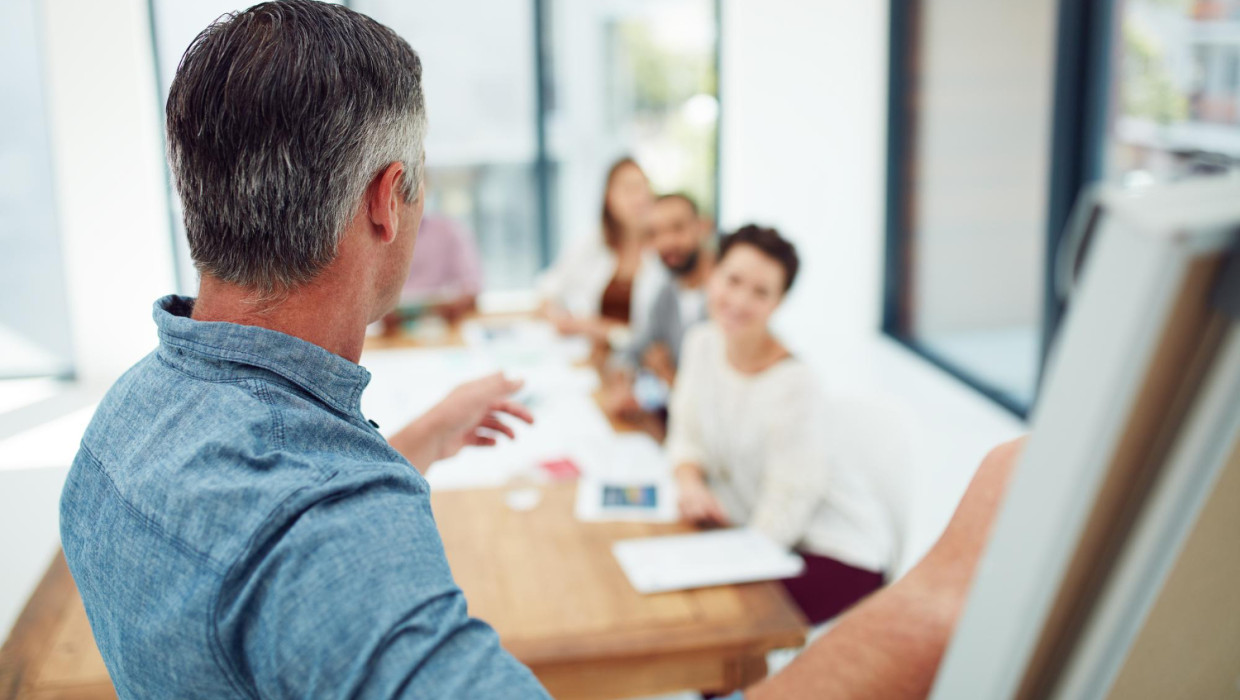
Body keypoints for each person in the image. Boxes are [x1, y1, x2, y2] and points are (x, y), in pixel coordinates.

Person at [59, 3, 1026, 698]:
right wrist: (942, 600)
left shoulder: (124, 422)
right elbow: (305, 556)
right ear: (387, 200)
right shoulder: (333, 537)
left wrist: (417, 443)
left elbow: (253, 556)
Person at [668, 225, 890, 625]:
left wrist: (729, 562)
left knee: (714, 620)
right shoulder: (701, 343)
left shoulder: (795, 384)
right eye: (732, 280)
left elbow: (786, 508)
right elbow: (686, 435)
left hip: (832, 554)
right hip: (756, 534)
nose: (738, 300)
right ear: (712, 274)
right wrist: (690, 482)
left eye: (761, 292)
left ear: (779, 302)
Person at [603, 193, 715, 422]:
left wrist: (667, 375)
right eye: (655, 234)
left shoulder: (727, 302)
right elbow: (634, 349)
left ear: (703, 227)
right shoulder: (666, 292)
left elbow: (715, 401)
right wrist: (622, 381)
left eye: (678, 228)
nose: (666, 242)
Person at [537, 157, 663, 342]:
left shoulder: (663, 251)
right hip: (593, 359)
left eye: (644, 187)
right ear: (609, 197)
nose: (640, 197)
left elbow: (654, 332)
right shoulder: (592, 244)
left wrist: (597, 328)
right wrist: (562, 319)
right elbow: (547, 292)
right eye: (629, 189)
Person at [384, 211, 483, 327]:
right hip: (387, 333)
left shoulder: (448, 231)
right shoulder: (374, 236)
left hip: (443, 331)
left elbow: (472, 286)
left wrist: (452, 305)